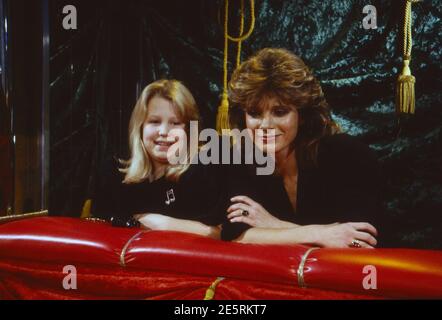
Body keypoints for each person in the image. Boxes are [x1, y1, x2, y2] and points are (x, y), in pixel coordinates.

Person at [220, 48, 382, 248]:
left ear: (302, 115)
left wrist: (272, 226)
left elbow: (358, 243)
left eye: (280, 112)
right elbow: (237, 235)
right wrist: (320, 234)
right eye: (254, 113)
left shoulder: (348, 155)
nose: (265, 125)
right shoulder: (241, 159)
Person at [93, 79, 224, 239]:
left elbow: (222, 234)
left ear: (189, 130)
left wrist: (165, 225)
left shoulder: (205, 170)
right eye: (154, 122)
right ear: (140, 126)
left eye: (175, 123)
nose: (164, 131)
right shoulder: (113, 171)